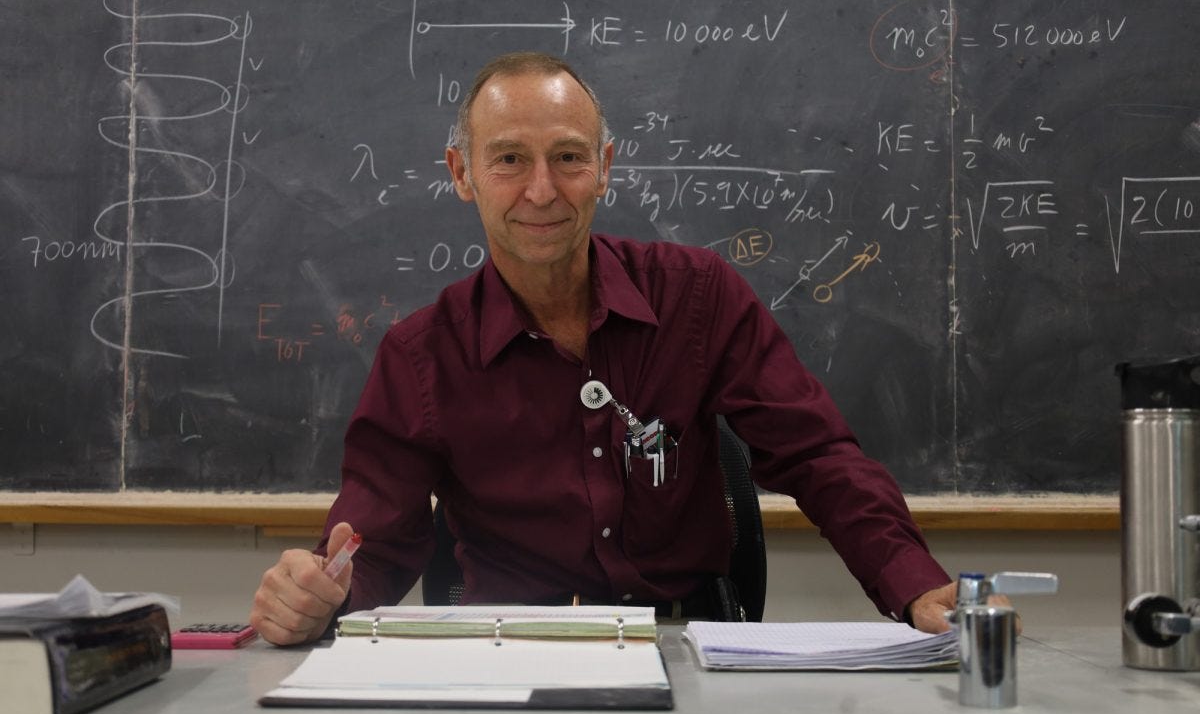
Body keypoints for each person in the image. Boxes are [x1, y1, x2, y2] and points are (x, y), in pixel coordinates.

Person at [250, 51, 958, 646]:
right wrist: (318, 596)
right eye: (508, 160)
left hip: (682, 652)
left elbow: (817, 454)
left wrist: (914, 585)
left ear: (605, 166)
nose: (541, 190)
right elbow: (374, 536)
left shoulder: (699, 297)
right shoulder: (421, 355)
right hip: (507, 663)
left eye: (568, 158)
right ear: (461, 174)